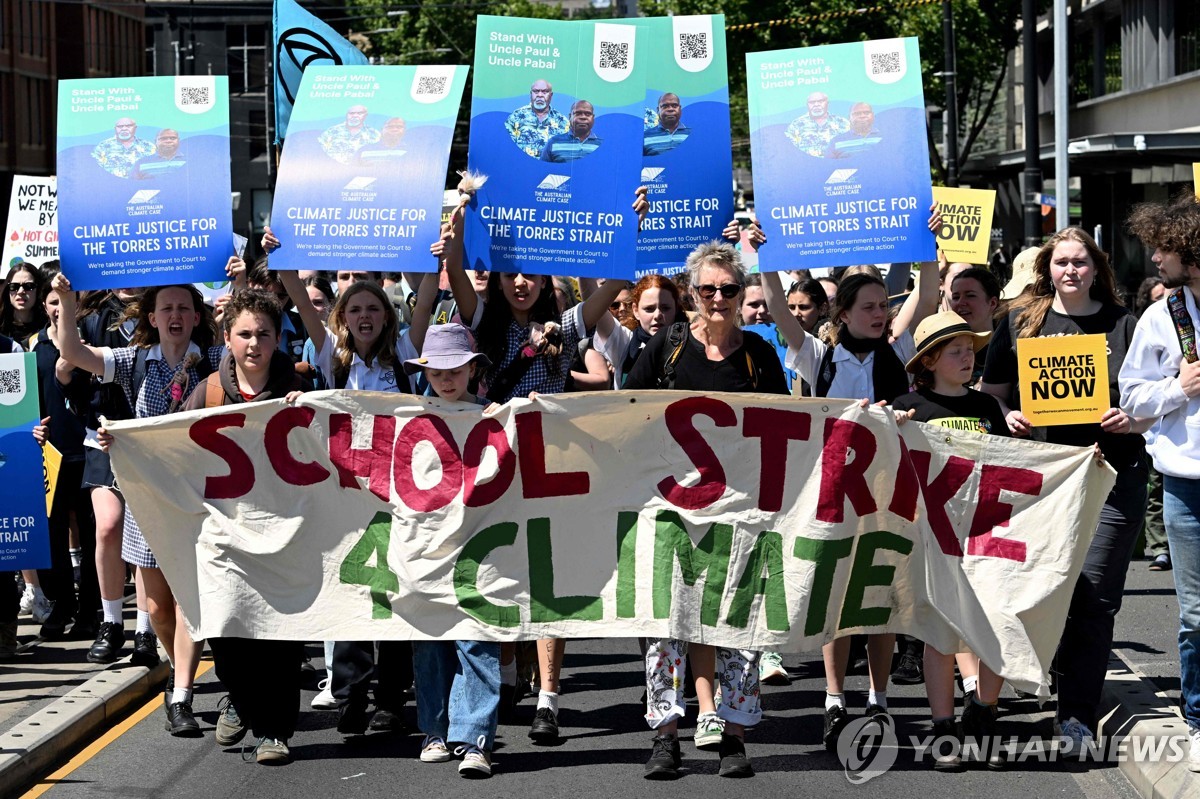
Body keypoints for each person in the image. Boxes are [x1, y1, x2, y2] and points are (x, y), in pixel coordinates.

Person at [441, 181, 643, 744]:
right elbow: (455, 269)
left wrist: (629, 223)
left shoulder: (567, 326)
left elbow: (616, 284)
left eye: (530, 273)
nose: (521, 282)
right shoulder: (484, 322)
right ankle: (506, 677)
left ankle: (549, 697)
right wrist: (460, 214)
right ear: (500, 278)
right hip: (496, 472)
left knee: (547, 579)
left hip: (551, 471)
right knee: (499, 574)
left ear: (546, 279)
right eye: (511, 274)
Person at [758, 210, 941, 748]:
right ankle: (836, 697)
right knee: (839, 599)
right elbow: (778, 311)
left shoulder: (898, 349)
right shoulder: (819, 354)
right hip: (834, 490)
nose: (881, 314)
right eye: (871, 307)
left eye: (885, 305)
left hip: (886, 494)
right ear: (845, 312)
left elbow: (926, 298)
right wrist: (768, 261)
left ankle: (878, 699)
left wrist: (927, 247)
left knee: (880, 598)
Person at [980, 227, 1151, 753]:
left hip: (1111, 474)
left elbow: (1150, 397)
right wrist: (1009, 417)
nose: (1071, 271)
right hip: (1044, 480)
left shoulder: (1125, 324)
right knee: (1047, 588)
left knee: (1095, 598)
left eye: (1080, 262)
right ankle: (1045, 672)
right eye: (1061, 263)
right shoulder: (1019, 323)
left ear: (1097, 268)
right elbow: (992, 396)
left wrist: (1133, 417)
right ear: (1047, 269)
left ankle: (1076, 713)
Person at [623, 242, 788, 779]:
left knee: (738, 624)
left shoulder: (758, 355)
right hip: (669, 511)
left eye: (730, 289)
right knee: (666, 625)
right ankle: (666, 735)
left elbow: (793, 426)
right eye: (707, 289)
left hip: (739, 513)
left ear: (742, 293)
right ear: (691, 295)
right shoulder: (665, 348)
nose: (719, 298)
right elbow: (622, 416)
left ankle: (734, 737)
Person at [51, 267, 236, 737]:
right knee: (156, 607)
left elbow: (261, 363)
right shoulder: (132, 360)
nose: (175, 315)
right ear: (151, 317)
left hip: (201, 502)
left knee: (191, 601)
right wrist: (67, 300)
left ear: (197, 316)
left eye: (183, 308)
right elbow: (72, 352)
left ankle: (181, 695)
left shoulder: (218, 359)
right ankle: (184, 672)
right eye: (166, 308)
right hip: (147, 500)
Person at [268, 227, 436, 736]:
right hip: (344, 499)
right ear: (343, 318)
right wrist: (280, 253)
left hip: (398, 496)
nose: (365, 317)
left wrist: (437, 252)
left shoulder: (406, 351)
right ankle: (352, 696)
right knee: (352, 594)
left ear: (387, 317)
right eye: (355, 310)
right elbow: (296, 292)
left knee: (394, 595)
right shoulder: (330, 356)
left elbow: (426, 297)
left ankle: (390, 698)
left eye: (374, 309)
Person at [891, 310, 1009, 770]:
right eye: (956, 351)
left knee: (997, 631)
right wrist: (889, 426)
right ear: (931, 360)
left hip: (986, 537)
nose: (968, 358)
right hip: (933, 540)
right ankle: (944, 729)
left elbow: (1012, 468)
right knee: (941, 639)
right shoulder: (907, 407)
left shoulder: (985, 408)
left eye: (970, 350)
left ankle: (982, 714)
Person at [1119, 195, 1200, 772]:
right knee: (1196, 613)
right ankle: (1198, 720)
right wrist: (1178, 388)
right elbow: (1132, 397)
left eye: (1165, 246)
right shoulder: (1162, 314)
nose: (1155, 255)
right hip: (1186, 485)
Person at [403, 323, 500, 778]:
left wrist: (513, 422)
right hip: (425, 552)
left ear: (472, 370)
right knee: (429, 646)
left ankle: (476, 737)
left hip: (480, 551)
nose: (446, 379)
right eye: (437, 370)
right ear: (424, 371)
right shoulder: (408, 416)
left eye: (456, 369)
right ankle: (434, 731)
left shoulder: (492, 417)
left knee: (478, 642)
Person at [28, 267, 97, 640]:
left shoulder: (90, 345)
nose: (58, 308)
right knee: (54, 535)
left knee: (90, 535)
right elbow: (18, 401)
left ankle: (89, 610)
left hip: (86, 451)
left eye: (64, 301)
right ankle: (62, 606)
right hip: (50, 454)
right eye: (53, 301)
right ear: (45, 305)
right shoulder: (30, 348)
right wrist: (30, 428)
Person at [1133, 275, 1170, 571]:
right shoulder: (1146, 328)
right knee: (1156, 488)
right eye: (1157, 297)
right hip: (1150, 428)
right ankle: (1160, 547)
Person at [592, 274, 683, 389]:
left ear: (676, 308)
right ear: (636, 311)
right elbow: (595, 307)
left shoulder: (690, 342)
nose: (657, 316)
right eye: (649, 309)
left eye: (665, 308)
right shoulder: (625, 342)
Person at [507, 79, 569, 158]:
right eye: (536, 91)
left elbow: (565, 155)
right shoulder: (515, 117)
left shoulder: (562, 122)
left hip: (549, 169)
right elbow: (508, 148)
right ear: (531, 94)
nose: (540, 95)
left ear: (551, 95)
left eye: (544, 92)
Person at [784, 92, 850, 158]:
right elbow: (790, 150)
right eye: (812, 102)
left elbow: (849, 149)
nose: (816, 104)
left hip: (835, 165)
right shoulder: (796, 125)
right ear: (807, 105)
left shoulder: (842, 123)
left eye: (820, 101)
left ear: (827, 103)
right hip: (807, 166)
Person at [91, 117, 156, 178]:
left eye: (128, 126)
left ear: (135, 128)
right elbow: (96, 169)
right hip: (112, 186)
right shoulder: (103, 146)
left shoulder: (148, 146)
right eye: (120, 126)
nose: (124, 129)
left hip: (140, 185)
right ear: (115, 129)